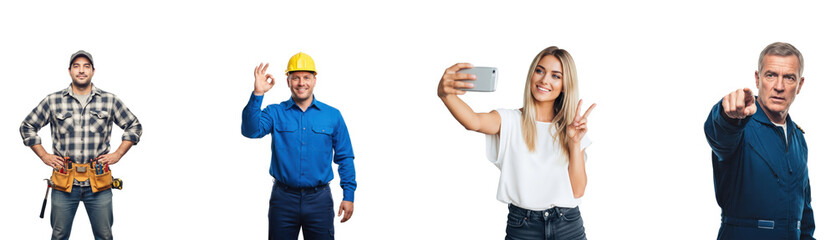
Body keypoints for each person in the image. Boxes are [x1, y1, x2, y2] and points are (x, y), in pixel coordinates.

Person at [438, 46, 595, 240]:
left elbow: (578, 190)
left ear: (564, 84)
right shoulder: (509, 120)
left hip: (568, 226)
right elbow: (473, 122)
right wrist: (446, 95)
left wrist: (574, 142)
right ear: (531, 74)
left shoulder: (572, 129)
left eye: (556, 76)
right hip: (523, 226)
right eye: (539, 71)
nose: (544, 80)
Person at [20, 50, 143, 240]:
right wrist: (44, 155)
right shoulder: (53, 101)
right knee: (59, 235)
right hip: (64, 181)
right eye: (76, 66)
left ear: (93, 71)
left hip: (99, 182)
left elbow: (134, 126)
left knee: (104, 235)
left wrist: (117, 154)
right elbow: (27, 126)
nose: (81, 71)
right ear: (69, 71)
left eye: (86, 66)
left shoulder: (109, 100)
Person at [703, 42, 814, 239]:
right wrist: (726, 115)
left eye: (789, 78)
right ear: (757, 78)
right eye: (771, 75)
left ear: (799, 85)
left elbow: (804, 216)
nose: (779, 87)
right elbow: (719, 133)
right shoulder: (739, 125)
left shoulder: (798, 139)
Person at [241, 52, 356, 240]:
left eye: (306, 77)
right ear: (288, 81)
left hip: (319, 200)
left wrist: (348, 194)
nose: (301, 83)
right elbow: (250, 131)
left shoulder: (333, 115)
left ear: (314, 80)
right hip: (283, 200)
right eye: (295, 78)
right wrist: (258, 94)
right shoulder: (274, 112)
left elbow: (345, 157)